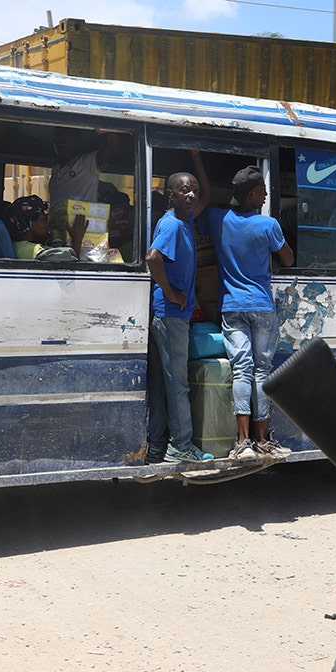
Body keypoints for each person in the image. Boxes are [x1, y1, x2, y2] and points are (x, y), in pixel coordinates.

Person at [199, 164, 295, 461]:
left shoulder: (218, 219)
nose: (266, 197)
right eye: (262, 193)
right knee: (261, 370)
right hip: (262, 306)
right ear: (251, 194)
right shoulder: (268, 225)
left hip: (232, 305)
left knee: (241, 369)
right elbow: (288, 260)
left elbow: (203, 206)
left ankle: (242, 441)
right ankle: (262, 439)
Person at [144, 156, 215, 465]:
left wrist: (198, 159)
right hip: (171, 316)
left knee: (162, 384)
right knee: (178, 385)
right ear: (170, 194)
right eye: (185, 190)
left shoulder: (184, 220)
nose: (192, 195)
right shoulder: (173, 224)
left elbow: (208, 197)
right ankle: (182, 446)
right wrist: (171, 292)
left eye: (194, 190)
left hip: (169, 317)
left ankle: (158, 448)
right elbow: (152, 258)